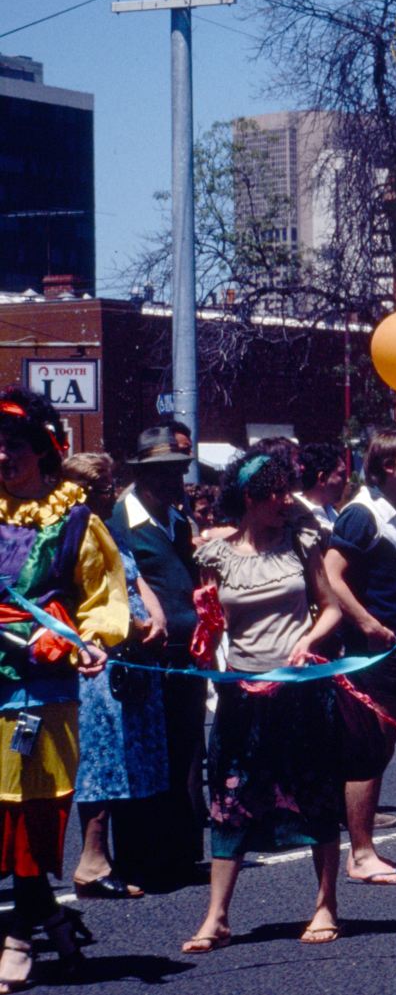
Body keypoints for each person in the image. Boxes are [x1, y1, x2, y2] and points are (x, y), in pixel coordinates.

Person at [182, 450, 346, 953]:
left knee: (314, 793)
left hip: (299, 693)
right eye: (276, 491)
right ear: (251, 497)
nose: (285, 499)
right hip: (242, 695)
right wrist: (205, 647)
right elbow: (210, 621)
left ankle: (325, 905)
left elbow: (332, 608)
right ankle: (217, 917)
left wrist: (308, 642)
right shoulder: (214, 555)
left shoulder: (300, 544)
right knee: (229, 802)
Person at [0, 387, 128, 989]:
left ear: (45, 451)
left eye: (15, 445)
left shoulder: (76, 519)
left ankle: (19, 936)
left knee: (30, 820)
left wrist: (89, 640)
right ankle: (52, 920)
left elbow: (103, 599)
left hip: (42, 695)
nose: (3, 456)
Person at [105, 424, 206, 889]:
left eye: (178, 471)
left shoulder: (178, 522)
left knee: (185, 751)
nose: (174, 480)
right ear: (142, 475)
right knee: (145, 757)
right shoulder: (119, 524)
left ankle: (180, 855)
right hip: (146, 657)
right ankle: (140, 861)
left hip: (187, 656)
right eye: (163, 472)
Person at [321, 431, 396, 886]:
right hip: (371, 652)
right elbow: (331, 573)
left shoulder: (393, 514)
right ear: (384, 466)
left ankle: (363, 842)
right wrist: (363, 621)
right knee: (367, 746)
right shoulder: (361, 514)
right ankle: (360, 852)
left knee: (381, 747)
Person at [66, 452, 168, 901]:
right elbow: (83, 600)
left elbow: (134, 578)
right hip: (99, 663)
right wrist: (135, 625)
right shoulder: (72, 533)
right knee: (102, 763)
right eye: (105, 488)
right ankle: (92, 861)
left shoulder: (110, 528)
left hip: (131, 658)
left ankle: (126, 857)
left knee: (129, 761)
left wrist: (157, 616)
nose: (113, 494)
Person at [297, 441, 350, 533]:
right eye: (341, 475)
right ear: (322, 479)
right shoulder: (296, 517)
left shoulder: (333, 513)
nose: (347, 480)